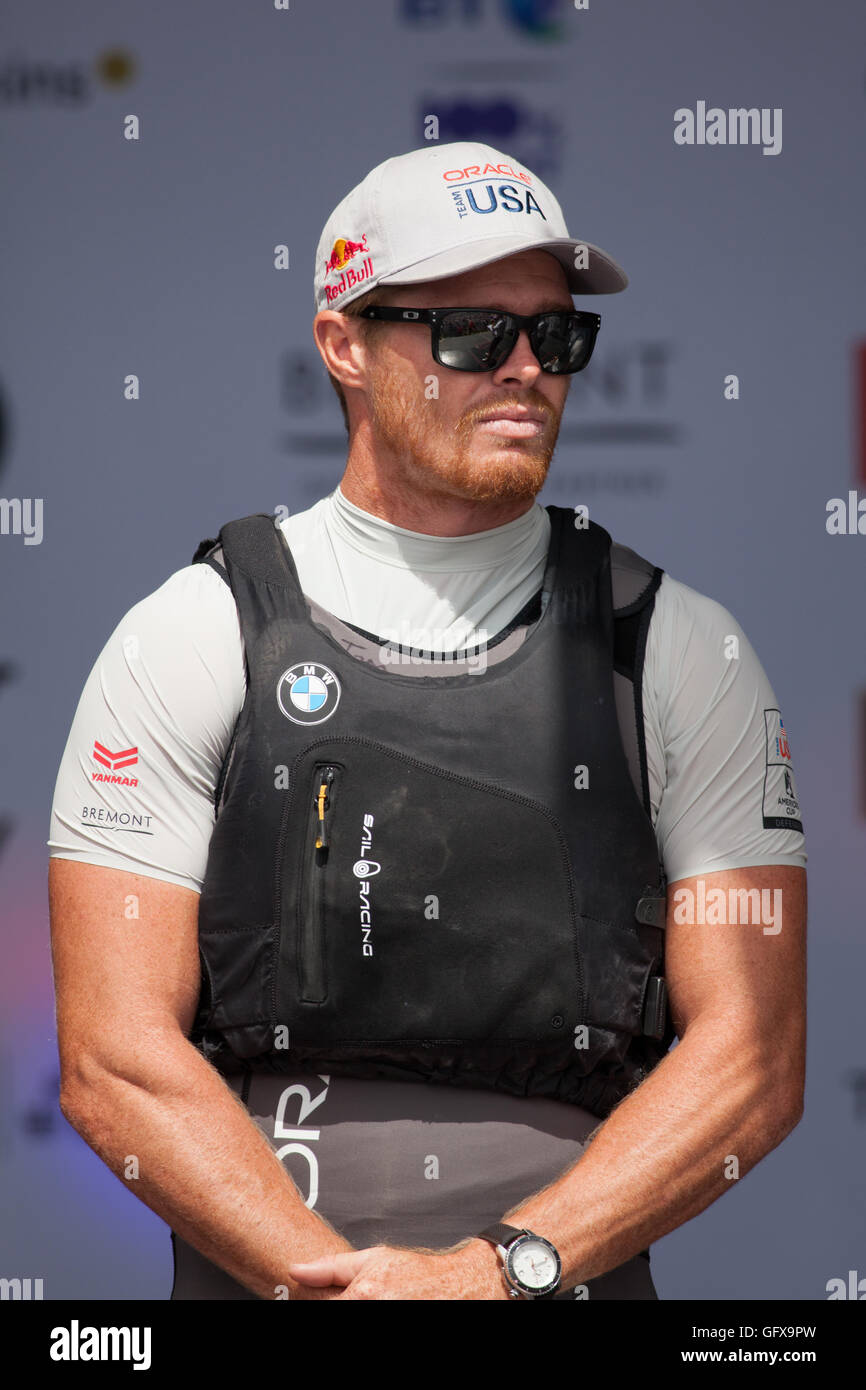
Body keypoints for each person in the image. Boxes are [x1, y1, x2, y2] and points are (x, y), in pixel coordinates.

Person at [48, 141, 807, 1302]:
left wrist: (499, 1275)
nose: (524, 369)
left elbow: (751, 1063)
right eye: (469, 333)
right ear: (343, 344)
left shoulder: (677, 647)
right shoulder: (190, 634)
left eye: (555, 336)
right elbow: (113, 1062)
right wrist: (337, 1287)